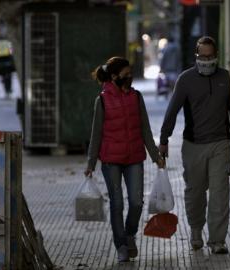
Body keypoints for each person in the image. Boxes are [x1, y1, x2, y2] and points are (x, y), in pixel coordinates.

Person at [159, 36, 230, 254]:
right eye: (202, 56)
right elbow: (172, 110)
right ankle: (196, 230)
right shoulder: (186, 79)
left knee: (219, 193)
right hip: (193, 145)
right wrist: (163, 139)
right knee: (195, 192)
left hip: (221, 144)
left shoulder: (227, 77)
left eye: (210, 56)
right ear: (196, 56)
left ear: (216, 56)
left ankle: (217, 240)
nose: (206, 60)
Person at [84, 57, 165, 263]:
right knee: (117, 203)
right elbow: (96, 133)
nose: (130, 77)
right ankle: (121, 245)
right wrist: (91, 163)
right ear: (114, 77)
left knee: (137, 202)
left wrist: (156, 157)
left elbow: (146, 129)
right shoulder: (102, 100)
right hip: (111, 160)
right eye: (126, 74)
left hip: (134, 158)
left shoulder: (136, 97)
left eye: (131, 73)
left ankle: (130, 234)